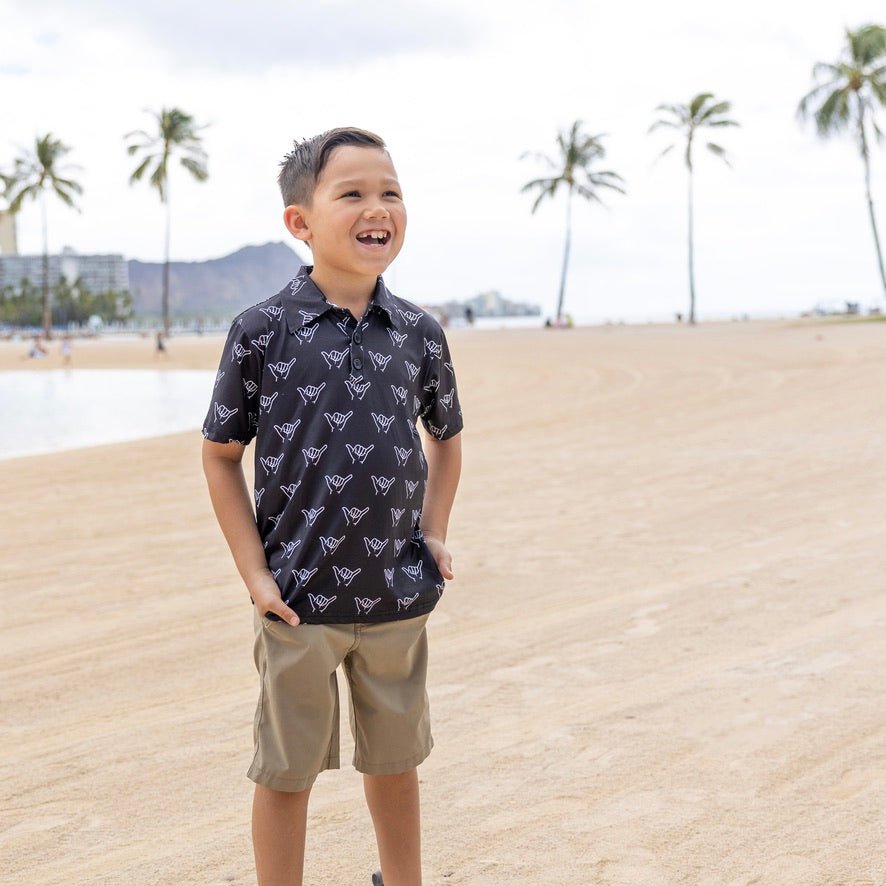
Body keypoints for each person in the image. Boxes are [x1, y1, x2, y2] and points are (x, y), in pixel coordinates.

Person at [201, 127, 463, 886]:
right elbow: (220, 457)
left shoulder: (418, 331)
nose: (376, 207)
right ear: (300, 223)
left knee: (396, 760)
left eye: (390, 192)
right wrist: (257, 577)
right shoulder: (262, 331)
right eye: (351, 193)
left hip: (394, 592)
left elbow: (447, 439)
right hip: (298, 601)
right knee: (286, 771)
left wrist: (435, 532)